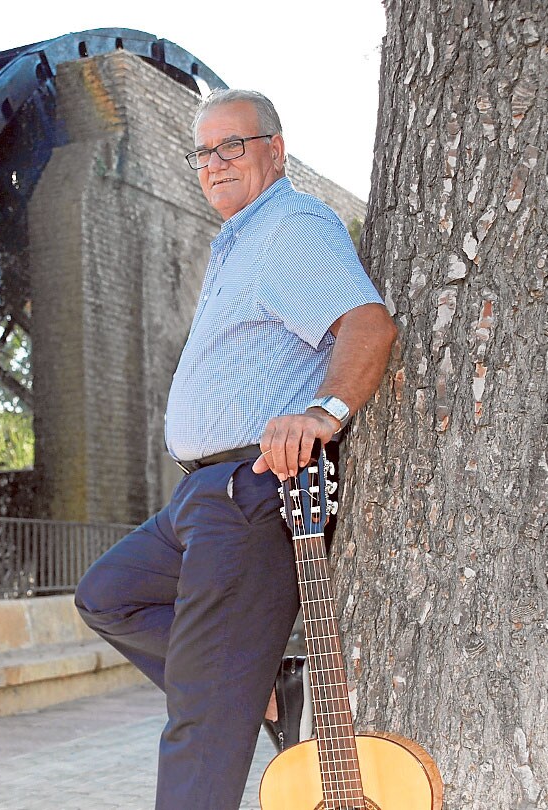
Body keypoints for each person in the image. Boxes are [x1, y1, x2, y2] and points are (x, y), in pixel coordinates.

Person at [75, 88, 397, 810]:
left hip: (254, 490)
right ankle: (265, 691)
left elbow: (368, 325)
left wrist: (326, 411)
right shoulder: (240, 240)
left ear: (274, 151)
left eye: (233, 146)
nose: (215, 162)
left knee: (199, 725)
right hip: (202, 494)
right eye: (204, 151)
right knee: (109, 594)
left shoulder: (290, 224)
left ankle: (234, 690)